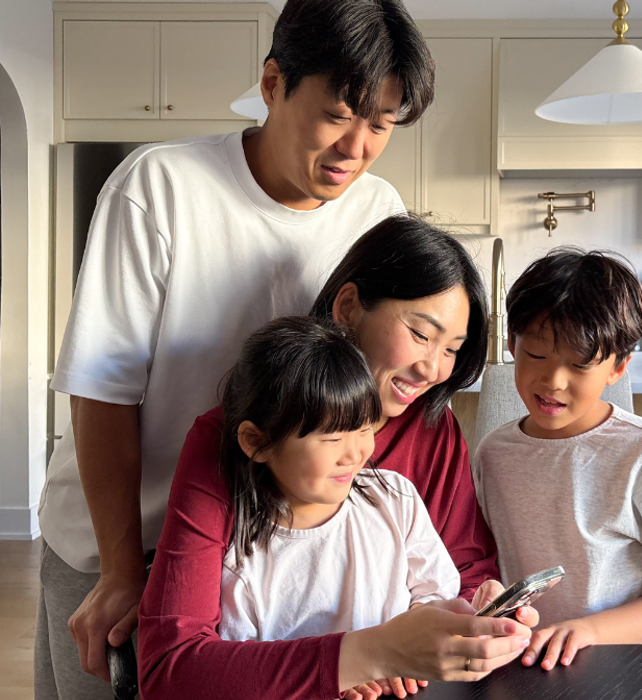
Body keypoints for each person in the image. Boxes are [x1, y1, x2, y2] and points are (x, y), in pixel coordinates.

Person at [35, 0, 435, 696]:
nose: (355, 148)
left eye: (380, 125)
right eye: (338, 115)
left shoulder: (378, 212)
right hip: (128, 533)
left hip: (267, 551)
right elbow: (103, 391)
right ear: (273, 83)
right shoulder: (160, 188)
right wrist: (122, 569)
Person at [139, 217, 538, 700]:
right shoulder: (239, 437)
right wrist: (367, 656)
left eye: (452, 348)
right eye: (419, 332)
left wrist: (486, 615)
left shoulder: (433, 433)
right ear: (348, 307)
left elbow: (462, 571)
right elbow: (170, 667)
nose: (433, 368)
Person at [471, 247, 642, 670]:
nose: (553, 380)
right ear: (512, 344)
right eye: (537, 356)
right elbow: (483, 564)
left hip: (626, 664)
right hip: (524, 664)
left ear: (619, 366)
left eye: (580, 365)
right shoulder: (494, 453)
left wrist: (591, 631)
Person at [215, 316, 461, 700]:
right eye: (332, 437)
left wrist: (458, 619)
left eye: (364, 428)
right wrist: (335, 680)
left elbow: (435, 596)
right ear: (257, 442)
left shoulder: (395, 499)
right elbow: (245, 674)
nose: (355, 453)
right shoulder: (244, 563)